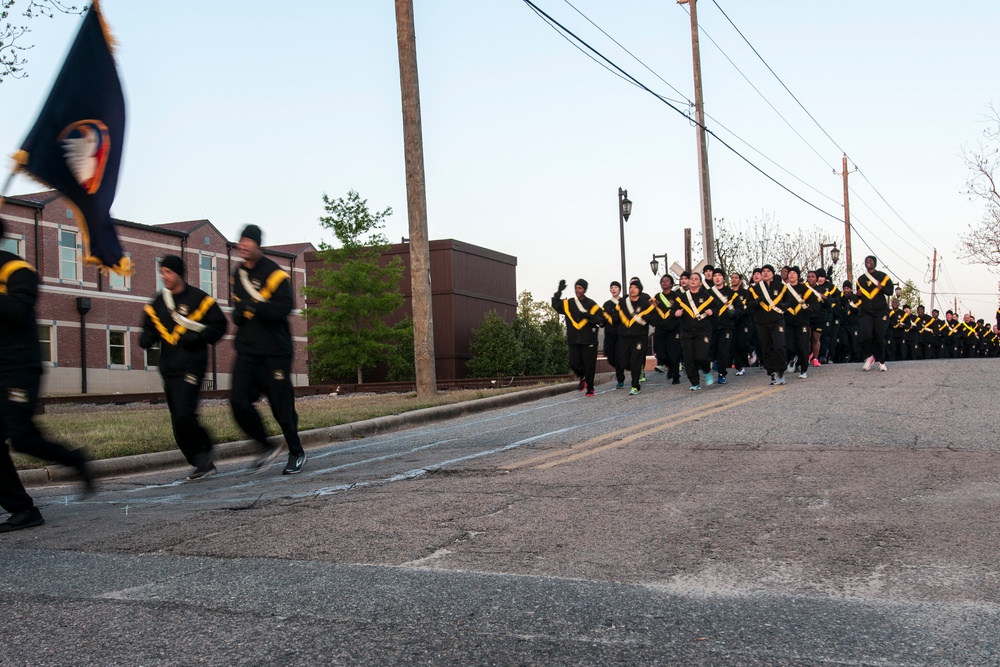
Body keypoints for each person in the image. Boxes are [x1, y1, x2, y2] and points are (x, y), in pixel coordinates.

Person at [0, 218, 93, 532]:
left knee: (22, 438)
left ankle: (73, 461)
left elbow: (18, 312)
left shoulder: (17, 271)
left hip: (18, 369)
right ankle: (23, 509)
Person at [139, 255, 227, 480]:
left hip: (192, 366)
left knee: (184, 415)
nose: (164, 276)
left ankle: (205, 449)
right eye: (162, 272)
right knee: (177, 420)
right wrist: (147, 338)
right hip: (169, 368)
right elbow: (149, 328)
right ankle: (201, 462)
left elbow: (220, 326)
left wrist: (198, 338)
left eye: (168, 272)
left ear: (179, 274)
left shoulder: (199, 299)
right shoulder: (159, 302)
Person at [229, 224, 307, 475]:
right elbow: (239, 310)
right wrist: (240, 314)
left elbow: (284, 308)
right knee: (238, 401)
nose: (242, 245)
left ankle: (296, 452)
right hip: (247, 351)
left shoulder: (276, 275)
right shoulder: (237, 274)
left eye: (247, 242)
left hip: (275, 352)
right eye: (240, 241)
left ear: (257, 245)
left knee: (281, 406)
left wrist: (253, 307)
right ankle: (265, 446)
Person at [552, 278, 603, 397]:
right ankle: (583, 377)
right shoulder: (569, 303)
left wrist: (588, 316)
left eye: (580, 288)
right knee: (573, 363)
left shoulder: (592, 304)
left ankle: (590, 388)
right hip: (574, 339)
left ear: (584, 289)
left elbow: (602, 320)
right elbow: (555, 305)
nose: (577, 290)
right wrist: (559, 291)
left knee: (589, 365)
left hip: (589, 339)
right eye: (576, 288)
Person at [748, 264, 790, 385]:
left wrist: (785, 305)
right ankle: (772, 372)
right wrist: (756, 302)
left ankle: (781, 371)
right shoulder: (754, 289)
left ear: (772, 274)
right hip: (761, 323)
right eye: (763, 271)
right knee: (766, 348)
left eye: (768, 271)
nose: (765, 273)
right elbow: (749, 305)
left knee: (779, 346)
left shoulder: (781, 287)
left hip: (777, 321)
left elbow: (789, 300)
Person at [674, 272, 715, 390]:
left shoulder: (707, 297)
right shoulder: (681, 298)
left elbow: (715, 308)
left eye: (696, 279)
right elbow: (673, 311)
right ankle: (695, 382)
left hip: (703, 331)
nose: (692, 281)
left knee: (701, 356)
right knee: (688, 358)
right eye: (691, 279)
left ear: (700, 283)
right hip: (687, 332)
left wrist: (712, 311)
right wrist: (675, 313)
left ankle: (706, 371)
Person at [616, 278, 656, 395]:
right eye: (631, 287)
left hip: (639, 337)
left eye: (635, 287)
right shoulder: (623, 303)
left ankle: (635, 386)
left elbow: (653, 317)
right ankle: (635, 372)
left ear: (640, 289)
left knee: (636, 361)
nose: (632, 289)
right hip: (624, 337)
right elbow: (616, 316)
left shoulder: (644, 303)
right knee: (623, 361)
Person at [855, 255, 893, 372]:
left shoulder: (883, 277)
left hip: (880, 311)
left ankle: (881, 361)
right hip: (866, 311)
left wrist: (882, 288)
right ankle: (870, 356)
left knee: (880, 336)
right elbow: (858, 297)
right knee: (865, 334)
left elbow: (890, 292)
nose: (868, 263)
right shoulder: (860, 279)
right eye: (866, 261)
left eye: (870, 261)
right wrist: (858, 295)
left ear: (875, 263)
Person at [708, 270, 741, 384]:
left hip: (727, 326)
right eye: (715, 276)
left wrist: (734, 313)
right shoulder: (708, 293)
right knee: (712, 349)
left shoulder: (731, 293)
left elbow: (740, 309)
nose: (717, 278)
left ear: (723, 278)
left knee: (723, 350)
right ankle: (715, 361)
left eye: (719, 276)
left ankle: (722, 374)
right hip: (711, 327)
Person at [650, 274, 682, 385]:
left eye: (667, 281)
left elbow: (680, 312)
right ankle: (671, 368)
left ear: (671, 284)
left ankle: (676, 375)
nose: (664, 283)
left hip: (673, 328)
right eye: (662, 281)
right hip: (661, 328)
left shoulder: (677, 297)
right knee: (660, 353)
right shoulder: (657, 297)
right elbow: (653, 312)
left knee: (674, 353)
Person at [601, 281, 625, 389]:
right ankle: (621, 368)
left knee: (619, 357)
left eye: (616, 287)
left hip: (621, 335)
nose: (614, 289)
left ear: (619, 290)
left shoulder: (624, 302)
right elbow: (602, 319)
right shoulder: (606, 304)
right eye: (612, 287)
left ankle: (620, 379)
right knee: (610, 357)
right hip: (609, 334)